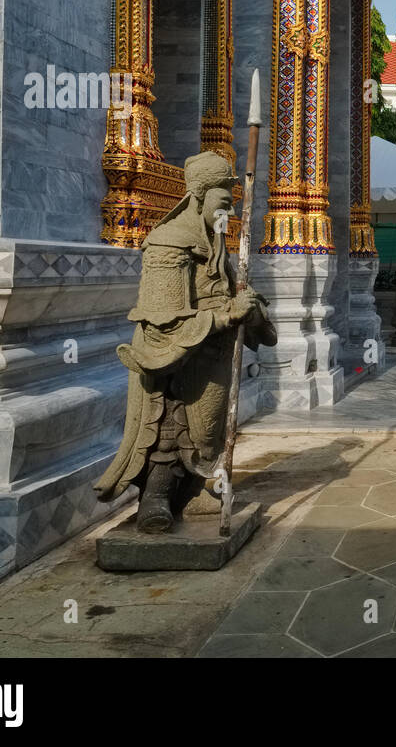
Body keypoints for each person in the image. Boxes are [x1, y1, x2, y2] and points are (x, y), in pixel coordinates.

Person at [94, 152, 276, 533]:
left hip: (212, 354)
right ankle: (155, 498)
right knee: (168, 427)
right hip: (174, 356)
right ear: (198, 197)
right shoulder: (168, 243)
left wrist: (250, 307)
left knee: (205, 431)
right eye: (223, 203)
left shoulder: (215, 243)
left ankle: (194, 492)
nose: (227, 213)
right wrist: (227, 315)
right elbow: (163, 318)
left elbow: (227, 291)